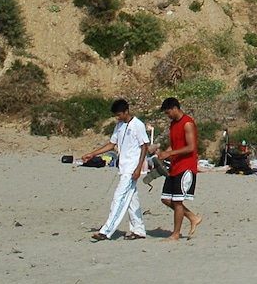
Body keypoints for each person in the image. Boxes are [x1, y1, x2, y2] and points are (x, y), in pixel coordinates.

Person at [82, 98, 150, 241]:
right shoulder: (119, 125)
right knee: (132, 200)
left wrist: (138, 168)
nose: (117, 118)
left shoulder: (138, 125)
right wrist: (93, 153)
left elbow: (145, 146)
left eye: (119, 115)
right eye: (116, 115)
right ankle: (139, 230)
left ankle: (106, 231)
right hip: (123, 167)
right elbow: (112, 144)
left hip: (131, 169)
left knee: (118, 199)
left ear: (126, 111)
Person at [156, 96, 202, 241]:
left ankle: (176, 234)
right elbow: (175, 145)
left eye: (168, 112)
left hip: (186, 167)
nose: (167, 115)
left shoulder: (187, 123)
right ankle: (192, 217)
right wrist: (165, 153)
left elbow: (191, 147)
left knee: (177, 201)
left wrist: (170, 153)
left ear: (175, 108)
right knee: (165, 199)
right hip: (175, 166)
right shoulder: (173, 125)